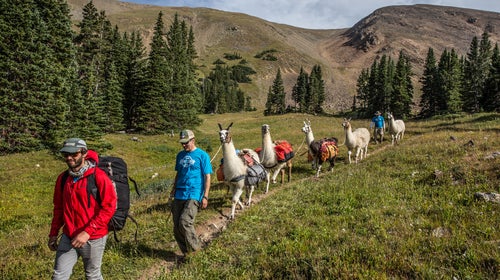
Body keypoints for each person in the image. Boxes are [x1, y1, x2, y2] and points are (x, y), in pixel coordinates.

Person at [48, 138, 117, 280]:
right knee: (59, 275)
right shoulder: (63, 178)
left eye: (74, 154)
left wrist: (87, 232)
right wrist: (53, 233)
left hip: (93, 237)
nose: (69, 158)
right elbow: (59, 208)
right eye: (66, 154)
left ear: (84, 153)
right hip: (69, 235)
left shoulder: (98, 176)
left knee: (92, 275)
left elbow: (109, 208)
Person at [170, 129, 212, 257]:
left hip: (194, 193)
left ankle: (195, 251)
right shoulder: (180, 155)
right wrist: (173, 188)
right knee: (177, 226)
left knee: (185, 221)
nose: (183, 145)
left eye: (186, 143)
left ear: (193, 140)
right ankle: (186, 252)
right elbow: (179, 173)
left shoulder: (202, 155)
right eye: (182, 143)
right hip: (179, 193)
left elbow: (207, 177)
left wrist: (205, 196)